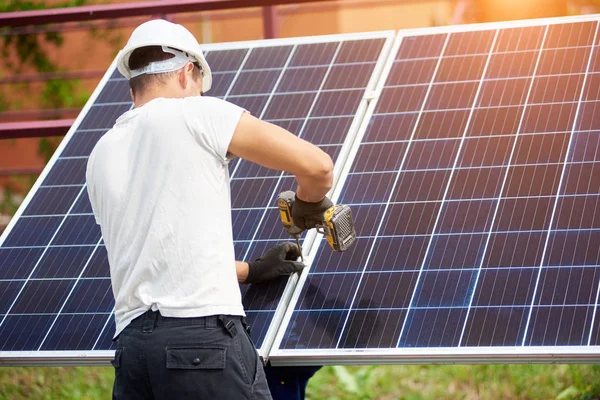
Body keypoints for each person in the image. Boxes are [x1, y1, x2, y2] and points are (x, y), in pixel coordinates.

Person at [85, 19, 334, 400]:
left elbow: (151, 254)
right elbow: (318, 166)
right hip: (202, 348)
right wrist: (308, 202)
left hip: (133, 353)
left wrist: (251, 271)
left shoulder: (101, 152)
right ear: (187, 72)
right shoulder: (196, 114)